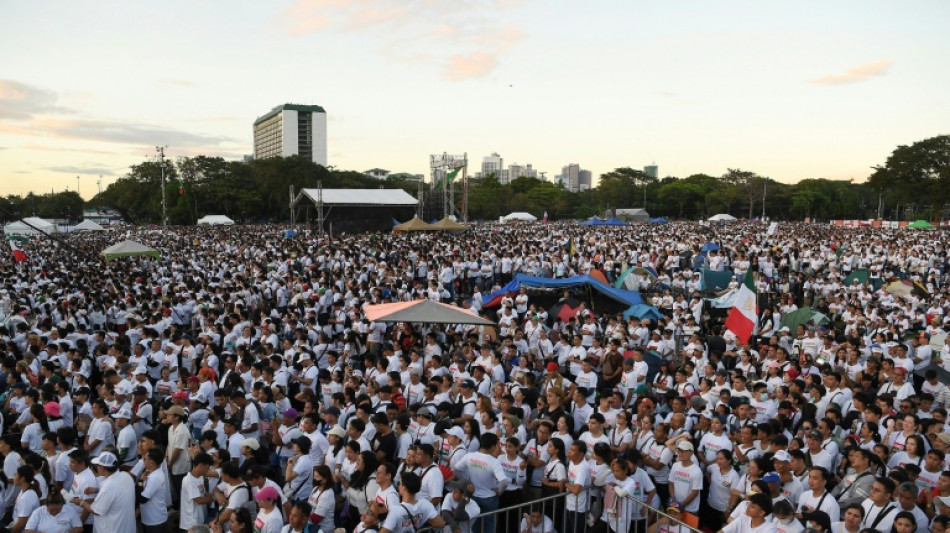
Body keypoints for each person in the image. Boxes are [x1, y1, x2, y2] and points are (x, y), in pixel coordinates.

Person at [76, 452, 136, 533]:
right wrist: (96, 490)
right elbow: (116, 492)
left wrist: (81, 502)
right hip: (128, 528)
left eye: (98, 465)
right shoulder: (126, 475)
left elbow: (96, 511)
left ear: (103, 468)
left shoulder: (109, 487)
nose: (96, 468)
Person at [378, 472, 445, 533]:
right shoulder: (426, 504)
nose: (398, 486)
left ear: (404, 488)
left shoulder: (396, 510)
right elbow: (440, 523)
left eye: (400, 483)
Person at [138, 447, 170, 533]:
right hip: (151, 518)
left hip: (155, 521)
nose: (143, 460)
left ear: (151, 462)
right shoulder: (151, 472)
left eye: (145, 459)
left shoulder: (155, 478)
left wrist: (140, 482)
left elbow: (143, 499)